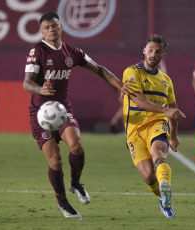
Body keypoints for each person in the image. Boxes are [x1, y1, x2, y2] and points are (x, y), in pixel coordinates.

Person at [23, 12, 125, 218]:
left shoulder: (72, 51)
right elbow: (27, 83)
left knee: (77, 146)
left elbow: (99, 69)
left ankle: (75, 183)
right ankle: (63, 203)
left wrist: (121, 86)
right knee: (55, 161)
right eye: (46, 27)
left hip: (62, 108)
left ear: (61, 26)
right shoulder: (37, 52)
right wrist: (40, 89)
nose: (51, 29)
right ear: (42, 31)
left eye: (54, 26)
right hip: (41, 113)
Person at [122, 34, 186, 218]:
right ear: (144, 50)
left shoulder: (166, 80)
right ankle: (163, 197)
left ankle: (165, 184)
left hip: (157, 123)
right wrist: (165, 111)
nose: (153, 54)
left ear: (163, 55)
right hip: (134, 129)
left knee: (158, 151)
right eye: (150, 49)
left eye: (158, 51)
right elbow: (140, 101)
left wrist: (173, 135)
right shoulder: (132, 72)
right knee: (149, 175)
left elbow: (172, 109)